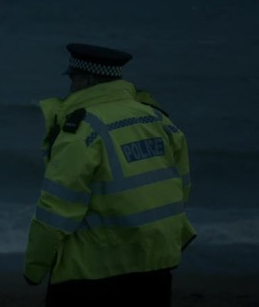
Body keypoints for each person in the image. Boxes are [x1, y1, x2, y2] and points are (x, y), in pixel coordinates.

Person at [23, 43, 195, 307]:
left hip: (92, 271)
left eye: (73, 78)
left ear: (89, 79)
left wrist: (35, 267)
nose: (70, 86)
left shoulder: (82, 130)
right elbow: (180, 189)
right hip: (155, 263)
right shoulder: (158, 120)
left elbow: (56, 209)